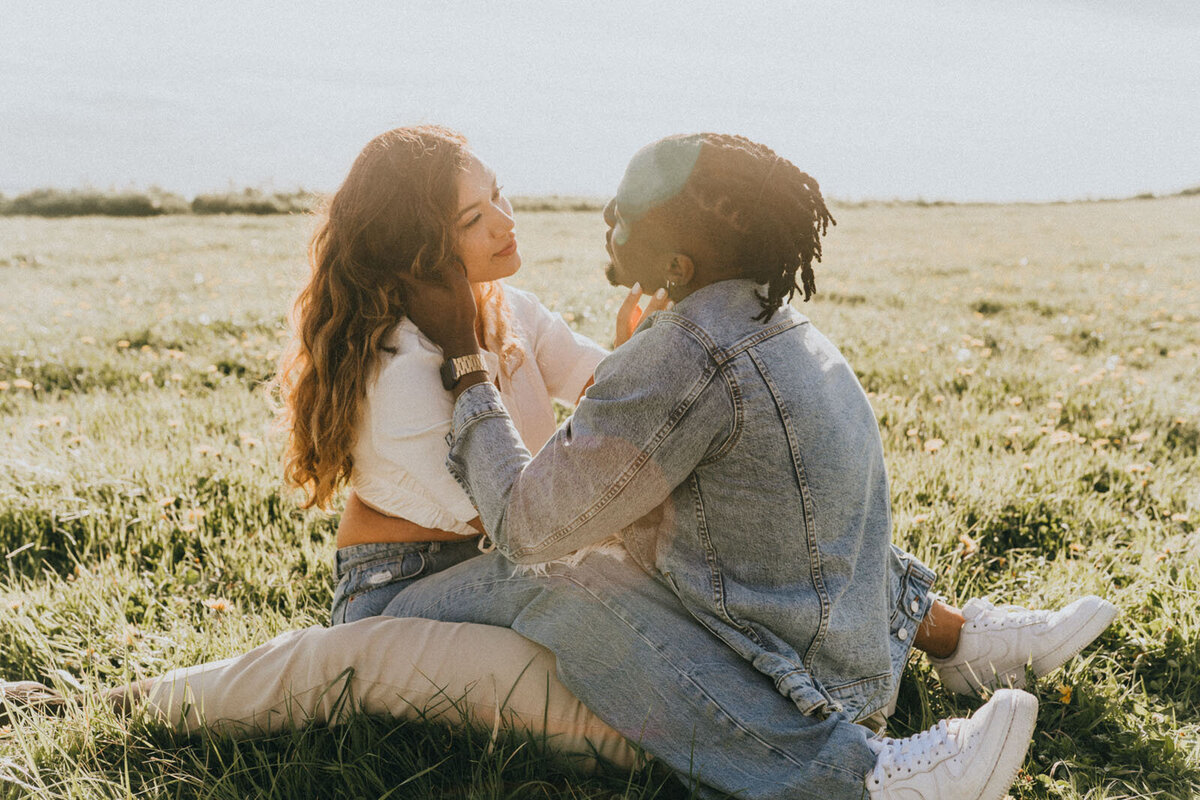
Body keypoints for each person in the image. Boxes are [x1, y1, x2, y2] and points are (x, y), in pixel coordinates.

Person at [1, 128, 1115, 782]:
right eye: (477, 218)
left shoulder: (506, 305)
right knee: (599, 575)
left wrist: (645, 367)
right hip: (430, 586)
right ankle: (862, 774)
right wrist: (603, 425)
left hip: (523, 561)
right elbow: (531, 518)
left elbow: (596, 397)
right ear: (419, 248)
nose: (508, 225)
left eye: (501, 200)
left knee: (713, 499)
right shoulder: (404, 365)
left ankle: (956, 636)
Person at [379, 132, 1116, 800]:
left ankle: (864, 776)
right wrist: (641, 355)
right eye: (474, 215)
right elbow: (612, 446)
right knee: (625, 539)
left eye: (627, 213)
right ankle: (956, 646)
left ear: (678, 265)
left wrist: (470, 368)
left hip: (800, 675)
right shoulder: (764, 312)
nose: (608, 213)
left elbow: (529, 523)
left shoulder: (682, 349)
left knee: (577, 560)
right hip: (829, 646)